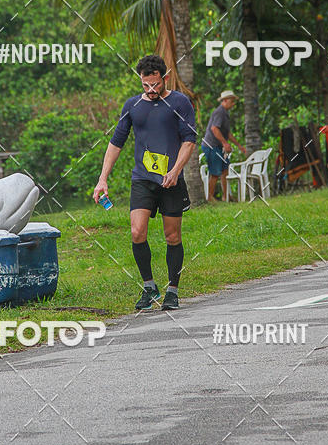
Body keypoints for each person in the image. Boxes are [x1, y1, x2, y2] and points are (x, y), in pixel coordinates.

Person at [93, 54, 197, 311]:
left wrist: (175, 171)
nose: (151, 90)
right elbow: (116, 142)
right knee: (137, 232)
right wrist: (102, 179)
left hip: (171, 181)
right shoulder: (132, 106)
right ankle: (149, 286)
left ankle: (172, 290)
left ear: (165, 78)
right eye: (145, 85)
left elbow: (189, 141)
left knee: (172, 236)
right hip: (142, 179)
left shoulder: (180, 102)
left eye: (155, 84)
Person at [202, 90, 247, 201]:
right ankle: (209, 198)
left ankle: (226, 196)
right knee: (215, 172)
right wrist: (225, 143)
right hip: (211, 146)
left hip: (218, 146)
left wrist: (239, 145)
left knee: (225, 170)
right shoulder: (219, 112)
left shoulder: (225, 113)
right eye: (232, 101)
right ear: (225, 101)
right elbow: (214, 128)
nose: (233, 104)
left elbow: (227, 133)